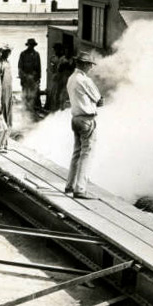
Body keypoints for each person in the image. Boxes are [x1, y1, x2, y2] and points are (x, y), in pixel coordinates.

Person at [65, 50, 102, 199]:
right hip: (87, 119)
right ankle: (80, 189)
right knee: (87, 154)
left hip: (75, 118)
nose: (91, 68)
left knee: (77, 152)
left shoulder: (71, 78)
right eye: (90, 65)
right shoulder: (85, 80)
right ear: (85, 65)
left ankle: (70, 185)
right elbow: (98, 98)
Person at [17, 38, 42, 113]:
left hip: (34, 78)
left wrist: (38, 78)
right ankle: (25, 109)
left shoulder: (36, 54)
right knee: (25, 94)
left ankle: (34, 109)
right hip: (25, 77)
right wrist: (22, 77)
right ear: (28, 45)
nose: (31, 46)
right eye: (30, 45)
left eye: (33, 45)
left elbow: (39, 67)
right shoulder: (23, 54)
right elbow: (20, 67)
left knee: (34, 95)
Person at [0, 44, 14, 144]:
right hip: (2, 93)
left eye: (9, 51)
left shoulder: (8, 63)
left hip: (9, 92)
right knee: (1, 116)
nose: (8, 53)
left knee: (8, 116)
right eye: (6, 51)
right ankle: (0, 142)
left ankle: (5, 140)